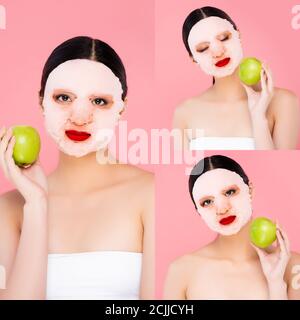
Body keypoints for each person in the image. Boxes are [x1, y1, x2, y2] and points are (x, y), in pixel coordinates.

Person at [0, 36, 154, 300]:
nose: (80, 117)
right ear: (41, 103)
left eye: (99, 101)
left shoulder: (151, 194)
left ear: (121, 108)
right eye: (64, 97)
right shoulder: (10, 209)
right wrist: (37, 205)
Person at [164, 155, 300, 299]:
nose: (222, 209)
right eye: (207, 202)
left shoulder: (293, 267)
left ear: (250, 190)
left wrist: (276, 283)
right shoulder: (181, 271)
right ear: (199, 211)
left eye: (230, 192)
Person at [173, 6, 300, 150]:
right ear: (193, 59)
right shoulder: (184, 112)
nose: (218, 51)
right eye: (203, 48)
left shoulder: (284, 101)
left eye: (224, 38)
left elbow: (280, 169)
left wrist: (259, 117)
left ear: (238, 35)